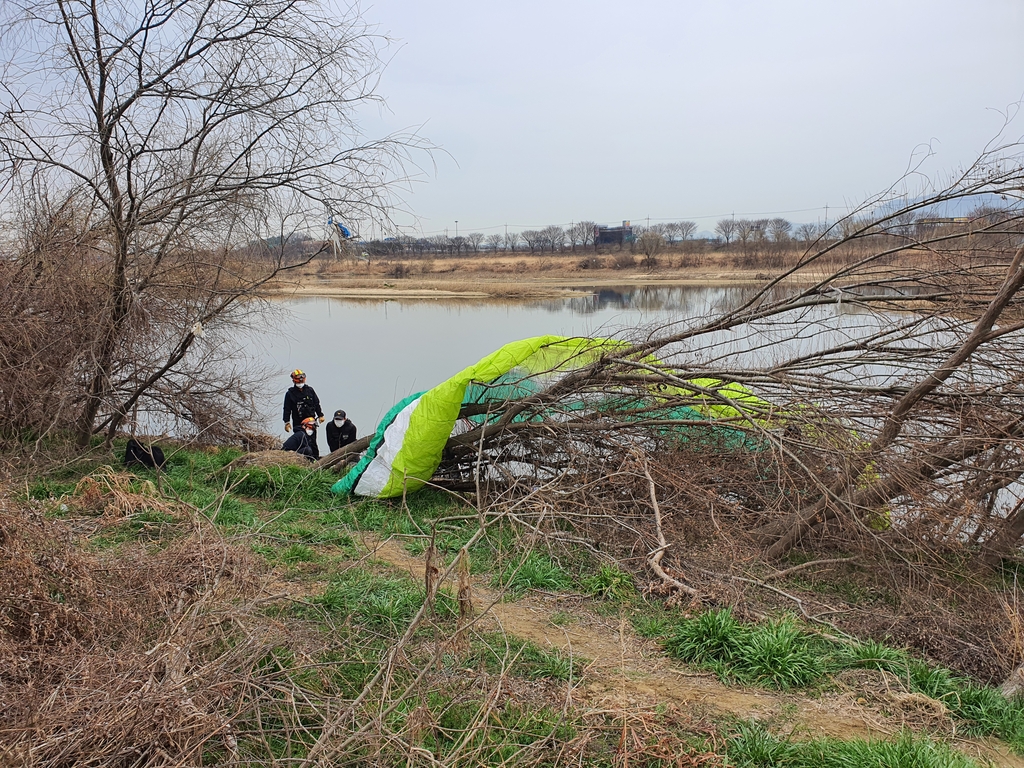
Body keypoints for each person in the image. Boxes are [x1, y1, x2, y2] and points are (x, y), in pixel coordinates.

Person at [282, 369, 324, 433]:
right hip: (298, 422)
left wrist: (320, 415)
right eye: (298, 381)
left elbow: (316, 403)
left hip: (310, 421)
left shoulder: (310, 390)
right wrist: (287, 422)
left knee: (311, 441)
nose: (300, 382)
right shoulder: (290, 394)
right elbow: (287, 409)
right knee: (300, 440)